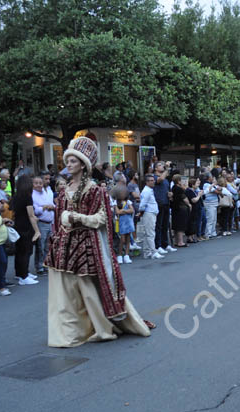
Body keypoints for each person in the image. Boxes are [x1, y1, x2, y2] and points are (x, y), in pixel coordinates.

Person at [44, 136, 155, 348]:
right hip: (64, 245)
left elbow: (103, 219)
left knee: (88, 289)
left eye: (74, 161)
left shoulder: (96, 190)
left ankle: (101, 327)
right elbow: (59, 217)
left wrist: (77, 218)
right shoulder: (63, 189)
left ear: (84, 164)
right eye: (68, 161)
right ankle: (69, 330)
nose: (69, 164)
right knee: (64, 291)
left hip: (86, 244)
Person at [12, 175, 40, 285]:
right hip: (26, 227)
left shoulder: (16, 196)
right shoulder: (28, 197)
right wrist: (37, 230)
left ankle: (20, 273)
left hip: (18, 225)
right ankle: (24, 276)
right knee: (26, 251)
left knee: (19, 251)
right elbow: (31, 215)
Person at [32, 175, 55, 274]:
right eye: (36, 183)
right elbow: (36, 210)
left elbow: (52, 204)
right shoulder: (32, 194)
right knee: (40, 246)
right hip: (41, 222)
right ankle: (39, 266)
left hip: (50, 221)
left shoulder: (46, 192)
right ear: (32, 184)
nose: (39, 185)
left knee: (47, 246)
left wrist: (50, 206)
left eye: (40, 183)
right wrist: (44, 207)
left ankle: (46, 264)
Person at [153, 161, 175, 254]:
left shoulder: (166, 179)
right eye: (160, 165)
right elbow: (160, 179)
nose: (162, 166)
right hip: (159, 203)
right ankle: (158, 246)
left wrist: (170, 194)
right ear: (155, 168)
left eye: (162, 165)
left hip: (166, 202)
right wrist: (166, 168)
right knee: (159, 225)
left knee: (165, 225)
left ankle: (165, 244)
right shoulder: (154, 177)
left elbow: (167, 188)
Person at [138, 175, 162, 260]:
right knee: (150, 233)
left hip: (150, 213)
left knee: (147, 234)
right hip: (149, 213)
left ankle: (147, 252)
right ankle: (153, 252)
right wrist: (141, 212)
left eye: (153, 180)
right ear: (147, 182)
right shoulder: (147, 191)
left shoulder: (148, 190)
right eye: (151, 180)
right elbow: (142, 204)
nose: (153, 181)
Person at [113, 185, 135, 264]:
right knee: (122, 239)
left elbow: (132, 210)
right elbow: (117, 212)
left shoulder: (128, 201)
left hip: (128, 221)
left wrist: (122, 211)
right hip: (121, 222)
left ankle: (126, 255)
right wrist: (126, 210)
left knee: (128, 238)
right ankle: (119, 255)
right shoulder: (116, 202)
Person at [170, 174, 190, 247]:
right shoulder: (180, 189)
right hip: (181, 208)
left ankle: (176, 241)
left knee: (176, 225)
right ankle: (180, 242)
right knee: (180, 226)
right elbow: (184, 198)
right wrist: (189, 204)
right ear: (178, 181)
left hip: (174, 208)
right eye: (182, 180)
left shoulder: (173, 187)